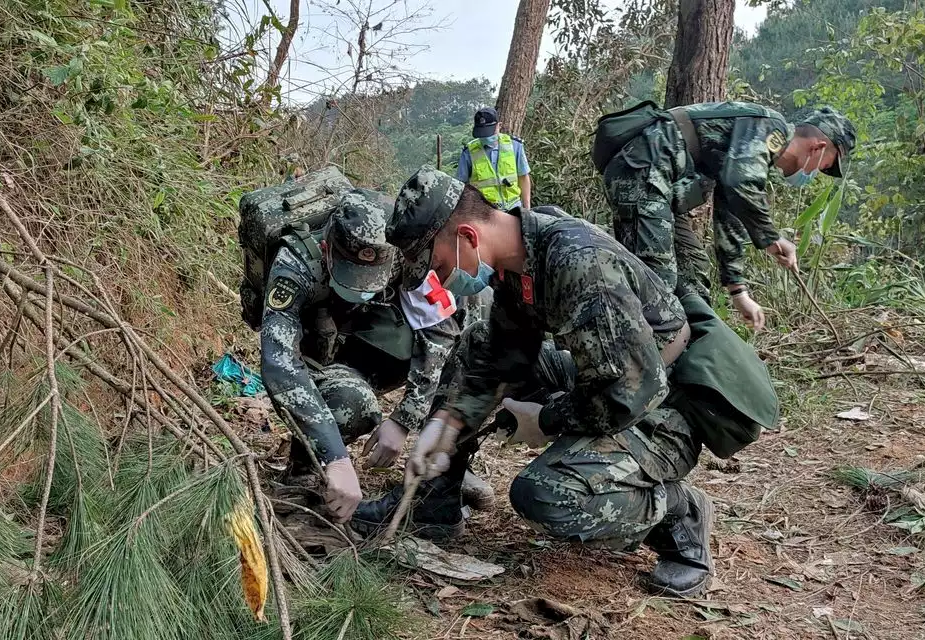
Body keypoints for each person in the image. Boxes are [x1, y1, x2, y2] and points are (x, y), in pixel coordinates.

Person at [364, 167, 775, 597]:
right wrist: (449, 423)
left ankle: (678, 512)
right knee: (476, 343)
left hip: (664, 406)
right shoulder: (518, 255)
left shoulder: (577, 263)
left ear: (468, 236)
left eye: (440, 265)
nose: (441, 279)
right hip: (606, 375)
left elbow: (627, 394)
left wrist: (545, 419)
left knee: (544, 495)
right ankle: (435, 502)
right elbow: (503, 355)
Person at [258, 189, 492, 524]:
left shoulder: (404, 252)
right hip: (317, 353)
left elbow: (439, 334)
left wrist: (403, 421)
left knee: (475, 329)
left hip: (368, 343)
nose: (362, 287)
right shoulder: (295, 264)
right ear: (327, 249)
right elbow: (279, 364)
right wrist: (335, 456)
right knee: (352, 403)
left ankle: (441, 472)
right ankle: (305, 467)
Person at [600, 103, 856, 331]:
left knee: (693, 271)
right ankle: (630, 363)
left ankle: (693, 356)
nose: (817, 172)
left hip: (658, 183)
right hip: (643, 171)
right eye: (825, 166)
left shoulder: (753, 153)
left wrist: (738, 291)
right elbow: (740, 184)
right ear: (818, 147)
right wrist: (772, 238)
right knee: (657, 283)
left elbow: (730, 210)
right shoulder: (771, 127)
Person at [457, 106, 532, 211]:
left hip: (513, 208)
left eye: (488, 132)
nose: (486, 136)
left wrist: (527, 208)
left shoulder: (515, 146)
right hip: (484, 211)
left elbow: (523, 177)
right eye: (482, 133)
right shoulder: (469, 152)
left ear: (499, 126)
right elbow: (461, 185)